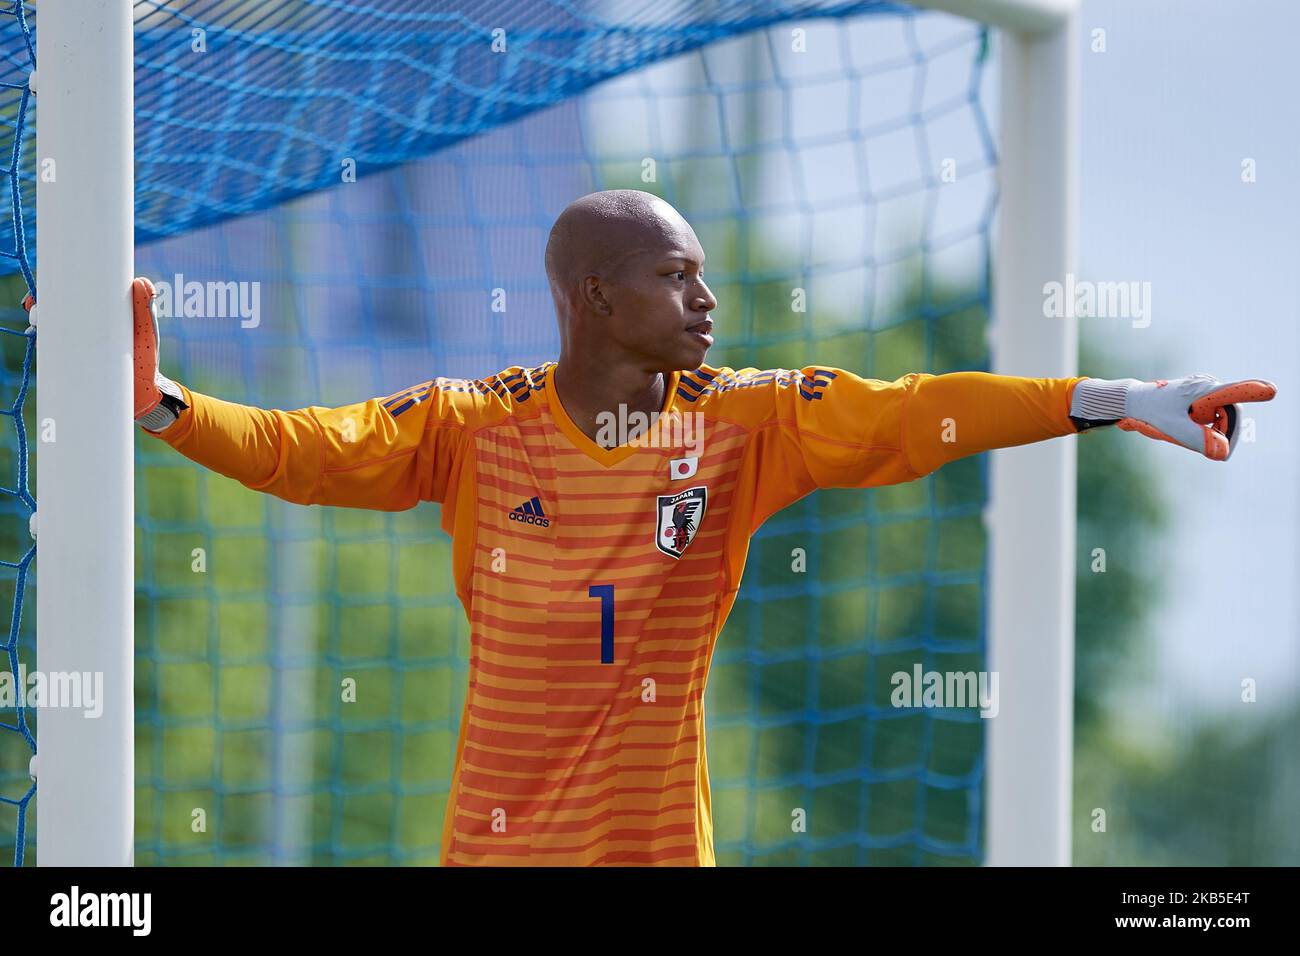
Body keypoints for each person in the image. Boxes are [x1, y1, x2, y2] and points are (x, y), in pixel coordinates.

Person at [133, 188, 1276, 866]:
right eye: (676, 276)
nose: (707, 300)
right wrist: (164, 404)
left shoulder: (743, 420)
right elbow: (300, 447)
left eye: (705, 277)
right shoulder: (470, 426)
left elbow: (914, 411)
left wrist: (1114, 400)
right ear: (594, 297)